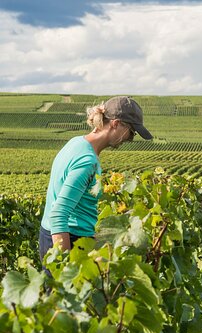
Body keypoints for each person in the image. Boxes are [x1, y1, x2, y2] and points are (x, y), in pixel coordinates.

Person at [39, 96, 152, 261]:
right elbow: (58, 215)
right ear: (116, 124)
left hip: (51, 236)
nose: (130, 138)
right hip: (69, 242)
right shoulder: (87, 161)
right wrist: (65, 268)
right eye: (131, 132)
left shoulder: (76, 143)